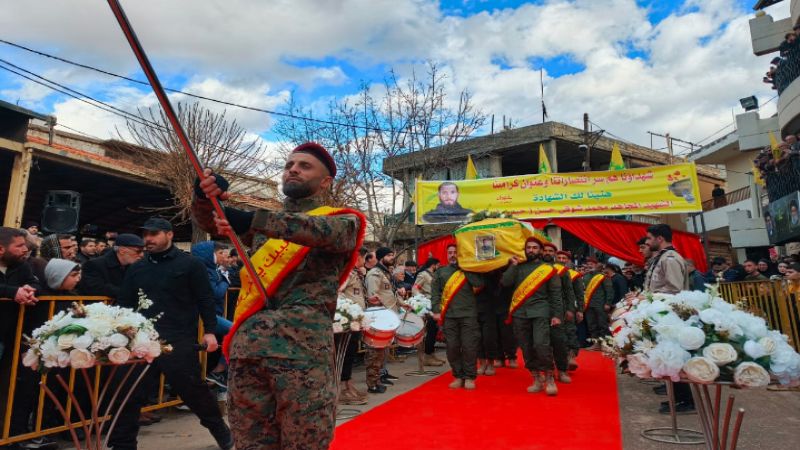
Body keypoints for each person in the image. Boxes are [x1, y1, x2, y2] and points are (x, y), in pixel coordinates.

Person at [193, 142, 365, 450]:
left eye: (305, 166)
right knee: (250, 443)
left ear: (325, 182)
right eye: (289, 165)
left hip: (301, 355)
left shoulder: (343, 221)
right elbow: (213, 223)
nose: (294, 169)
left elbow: (317, 231)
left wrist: (249, 220)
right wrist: (205, 198)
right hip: (249, 351)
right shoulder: (265, 225)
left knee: (305, 443)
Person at [110, 218, 232, 450]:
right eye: (145, 235)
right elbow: (124, 303)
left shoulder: (190, 264)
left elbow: (205, 299)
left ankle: (221, 432)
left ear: (169, 235)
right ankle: (122, 444)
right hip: (140, 340)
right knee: (127, 393)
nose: (148, 239)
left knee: (193, 391)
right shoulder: (137, 268)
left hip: (178, 339)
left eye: (154, 234)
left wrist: (209, 332)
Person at [0, 227, 59, 450]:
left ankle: (9, 436)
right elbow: (8, 291)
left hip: (12, 334)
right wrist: (11, 292)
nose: (26, 249)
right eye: (19, 246)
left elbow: (35, 284)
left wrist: (28, 290)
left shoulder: (21, 266)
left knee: (9, 386)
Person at [640, 224, 693, 414]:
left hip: (670, 315)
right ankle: (677, 396)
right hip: (662, 314)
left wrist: (646, 298)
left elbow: (674, 289)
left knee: (673, 356)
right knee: (667, 356)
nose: (647, 242)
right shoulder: (663, 257)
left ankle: (686, 401)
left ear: (659, 238)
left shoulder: (670, 259)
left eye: (649, 238)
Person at [502, 236, 562, 395]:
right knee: (526, 348)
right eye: (528, 248)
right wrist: (512, 266)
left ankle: (549, 378)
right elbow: (505, 283)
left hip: (540, 311)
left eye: (535, 248)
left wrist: (556, 315)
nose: (531, 250)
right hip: (520, 313)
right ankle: (536, 378)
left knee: (541, 345)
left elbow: (556, 294)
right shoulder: (518, 267)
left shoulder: (548, 269)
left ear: (541, 251)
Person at [431, 243, 484, 389]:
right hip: (449, 316)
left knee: (469, 347)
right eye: (450, 252)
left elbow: (479, 283)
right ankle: (458, 375)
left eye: (456, 252)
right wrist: (436, 310)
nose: (453, 255)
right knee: (452, 347)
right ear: (447, 255)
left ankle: (469, 377)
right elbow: (435, 293)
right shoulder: (441, 272)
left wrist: (466, 269)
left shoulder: (469, 270)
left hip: (468, 315)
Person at [190, 241, 233, 390]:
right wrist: (226, 281)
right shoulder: (204, 270)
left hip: (211, 314)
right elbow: (216, 292)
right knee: (235, 331)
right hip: (205, 315)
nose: (222, 256)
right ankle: (218, 371)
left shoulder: (210, 269)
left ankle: (220, 381)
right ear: (210, 254)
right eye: (219, 253)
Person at [365, 247, 402, 392]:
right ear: (381, 258)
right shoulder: (375, 273)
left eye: (393, 254)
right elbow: (373, 296)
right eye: (389, 255)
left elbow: (390, 293)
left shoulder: (386, 273)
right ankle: (372, 383)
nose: (392, 257)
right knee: (375, 353)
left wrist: (402, 302)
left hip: (387, 318)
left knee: (383, 352)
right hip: (379, 318)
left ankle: (379, 377)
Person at [337, 247, 370, 405]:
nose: (364, 262)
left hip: (356, 322)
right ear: (358, 258)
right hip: (347, 323)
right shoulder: (348, 274)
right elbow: (338, 292)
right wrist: (348, 309)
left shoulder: (357, 274)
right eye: (364, 258)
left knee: (351, 353)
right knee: (346, 354)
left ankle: (348, 383)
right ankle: (343, 387)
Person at [541, 241, 576, 383]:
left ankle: (562, 370)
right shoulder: (536, 268)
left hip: (558, 310)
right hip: (540, 311)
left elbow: (569, 291)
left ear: (554, 254)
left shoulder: (562, 270)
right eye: (545, 250)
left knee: (559, 342)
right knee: (542, 343)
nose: (547, 253)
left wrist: (569, 309)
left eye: (551, 251)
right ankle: (547, 371)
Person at [78, 233, 145, 299]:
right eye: (138, 251)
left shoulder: (133, 266)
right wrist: (127, 293)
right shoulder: (94, 264)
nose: (142, 255)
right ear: (122, 250)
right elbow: (96, 288)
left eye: (143, 251)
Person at [412, 258, 445, 367]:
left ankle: (431, 354)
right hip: (428, 305)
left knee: (434, 330)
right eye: (438, 265)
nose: (439, 267)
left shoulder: (433, 274)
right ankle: (427, 356)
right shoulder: (423, 274)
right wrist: (421, 301)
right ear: (434, 265)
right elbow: (415, 288)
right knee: (431, 330)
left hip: (435, 304)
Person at [556, 250, 583, 371]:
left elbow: (579, 293)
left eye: (564, 258)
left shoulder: (574, 274)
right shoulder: (549, 271)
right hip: (554, 308)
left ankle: (571, 356)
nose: (561, 260)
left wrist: (580, 310)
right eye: (559, 258)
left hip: (569, 307)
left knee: (570, 331)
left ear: (568, 261)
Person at [582, 257, 614, 347]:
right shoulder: (585, 276)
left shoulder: (603, 276)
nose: (589, 265)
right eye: (588, 264)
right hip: (588, 304)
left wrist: (608, 303)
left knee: (602, 324)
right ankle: (596, 344)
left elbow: (609, 290)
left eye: (591, 264)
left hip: (600, 304)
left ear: (596, 265)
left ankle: (606, 344)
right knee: (591, 325)